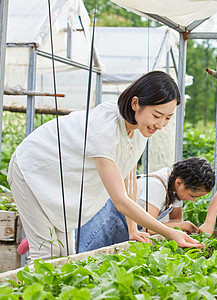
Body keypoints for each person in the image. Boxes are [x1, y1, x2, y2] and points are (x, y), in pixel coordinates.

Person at [8, 71, 204, 262]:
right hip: (32, 169)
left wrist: (133, 228)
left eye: (168, 118)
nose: (161, 125)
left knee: (65, 257)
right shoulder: (106, 127)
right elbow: (120, 201)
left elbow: (129, 182)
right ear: (136, 103)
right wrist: (170, 232)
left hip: (61, 182)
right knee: (46, 254)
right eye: (156, 115)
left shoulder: (139, 132)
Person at [76, 157, 215, 252]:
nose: (193, 200)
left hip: (125, 227)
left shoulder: (177, 191)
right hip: (107, 221)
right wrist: (179, 227)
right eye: (193, 196)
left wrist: (179, 225)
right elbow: (148, 228)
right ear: (179, 183)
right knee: (82, 253)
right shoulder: (156, 186)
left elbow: (176, 220)